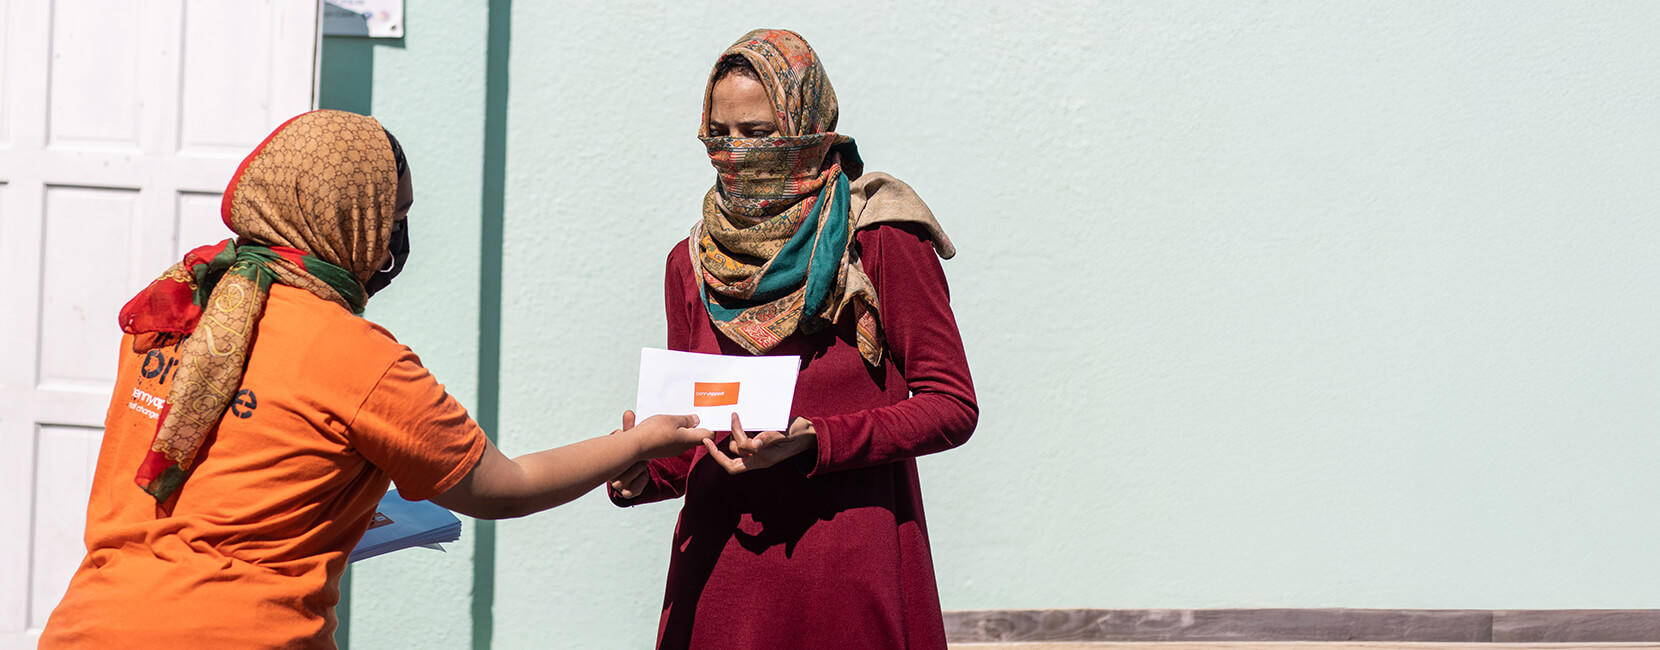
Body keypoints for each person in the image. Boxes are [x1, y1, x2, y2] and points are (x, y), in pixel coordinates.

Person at [38, 110, 711, 649]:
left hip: (86, 626)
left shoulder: (173, 307)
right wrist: (641, 442)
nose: (395, 241)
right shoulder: (360, 359)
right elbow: (503, 489)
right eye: (393, 217)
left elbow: (216, 474)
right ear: (348, 220)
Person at [608, 29, 978, 649]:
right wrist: (645, 471)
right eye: (719, 134)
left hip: (848, 570)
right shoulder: (690, 261)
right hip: (721, 578)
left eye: (756, 133)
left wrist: (819, 441)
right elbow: (694, 432)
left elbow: (951, 406)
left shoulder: (881, 240)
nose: (734, 152)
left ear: (808, 124)